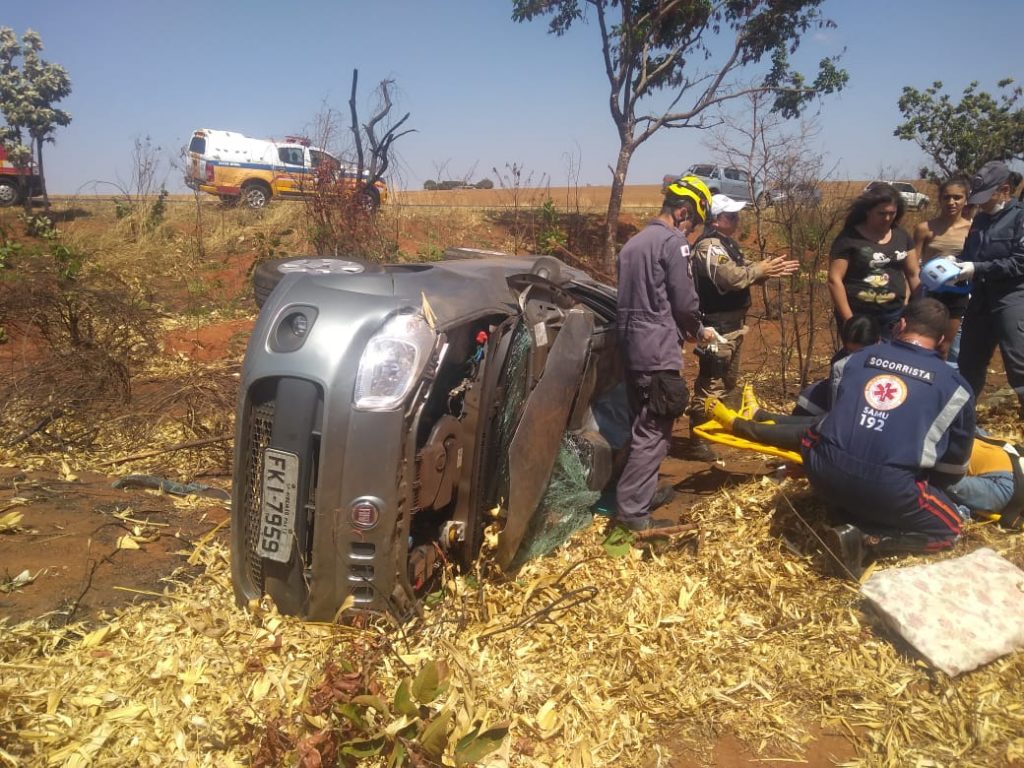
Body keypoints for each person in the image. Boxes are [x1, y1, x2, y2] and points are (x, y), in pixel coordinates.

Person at [799, 298, 975, 579]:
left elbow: (837, 418)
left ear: (901, 325)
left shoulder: (852, 360)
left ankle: (846, 508)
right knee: (949, 528)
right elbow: (953, 470)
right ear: (942, 339)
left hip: (823, 473)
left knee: (817, 436)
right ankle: (872, 541)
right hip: (890, 490)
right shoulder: (957, 389)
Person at [614, 175, 715, 531]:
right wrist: (699, 332)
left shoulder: (633, 243)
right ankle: (633, 514)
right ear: (684, 212)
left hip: (630, 346)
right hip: (657, 349)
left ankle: (637, 495)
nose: (691, 232)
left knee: (639, 422)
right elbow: (685, 302)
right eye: (693, 225)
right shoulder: (673, 243)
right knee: (655, 431)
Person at [685, 193, 799, 459]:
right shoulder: (710, 247)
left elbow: (746, 269)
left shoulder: (727, 244)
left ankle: (720, 426)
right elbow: (732, 278)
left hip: (733, 323)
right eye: (731, 216)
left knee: (728, 380)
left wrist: (766, 270)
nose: (737, 220)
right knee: (712, 381)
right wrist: (760, 270)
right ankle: (698, 436)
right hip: (717, 325)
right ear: (715, 219)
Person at [930, 161, 1024, 420]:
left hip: (1011, 298)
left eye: (987, 196)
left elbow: (1019, 262)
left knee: (1019, 362)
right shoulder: (981, 219)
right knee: (969, 364)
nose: (980, 203)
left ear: (1005, 190)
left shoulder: (1020, 218)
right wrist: (955, 263)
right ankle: (961, 422)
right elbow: (972, 254)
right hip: (980, 299)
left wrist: (975, 267)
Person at [828, 183, 919, 340]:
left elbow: (913, 273)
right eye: (881, 213)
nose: (887, 218)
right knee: (861, 359)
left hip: (894, 315)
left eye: (892, 213)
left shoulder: (902, 236)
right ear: (868, 211)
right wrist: (850, 320)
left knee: (889, 360)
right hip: (859, 315)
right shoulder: (849, 238)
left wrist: (916, 308)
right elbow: (834, 279)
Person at [913, 178, 973, 361]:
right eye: (947, 197)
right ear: (939, 199)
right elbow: (913, 265)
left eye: (957, 197)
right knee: (925, 344)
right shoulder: (924, 229)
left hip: (960, 295)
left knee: (953, 350)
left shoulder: (973, 229)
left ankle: (951, 387)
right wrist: (915, 296)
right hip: (930, 293)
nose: (951, 202)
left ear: (966, 199)